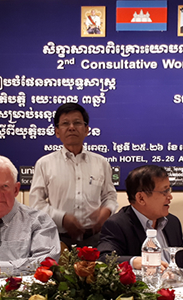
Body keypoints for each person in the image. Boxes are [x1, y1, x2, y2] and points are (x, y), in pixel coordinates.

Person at [29, 103, 118, 248]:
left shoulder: (101, 162)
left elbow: (110, 196)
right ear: (57, 131)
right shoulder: (44, 163)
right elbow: (35, 203)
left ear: (87, 129)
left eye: (77, 123)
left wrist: (105, 212)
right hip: (58, 239)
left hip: (96, 239)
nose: (71, 127)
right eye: (65, 123)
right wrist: (62, 218)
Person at [97, 165, 183, 269]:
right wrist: (135, 262)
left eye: (169, 190)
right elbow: (103, 258)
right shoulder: (117, 224)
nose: (170, 196)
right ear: (141, 198)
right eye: (164, 191)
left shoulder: (172, 222)